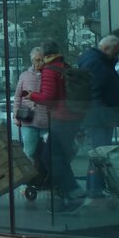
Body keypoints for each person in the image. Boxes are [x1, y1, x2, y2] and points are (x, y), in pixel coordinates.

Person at [27, 40, 84, 210]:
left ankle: (73, 192)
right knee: (58, 157)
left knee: (49, 156)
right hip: (73, 118)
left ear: (45, 55)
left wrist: (33, 96)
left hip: (61, 119)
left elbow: (49, 97)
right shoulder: (64, 65)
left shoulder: (50, 70)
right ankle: (71, 193)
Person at [78, 34, 119, 200]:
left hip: (100, 117)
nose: (116, 57)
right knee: (99, 154)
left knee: (99, 154)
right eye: (115, 53)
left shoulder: (96, 61)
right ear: (106, 49)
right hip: (100, 118)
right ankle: (95, 189)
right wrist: (105, 116)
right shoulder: (97, 64)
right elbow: (94, 93)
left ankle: (96, 187)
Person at [13, 46, 47, 161]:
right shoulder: (24, 76)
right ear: (32, 60)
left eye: (42, 60)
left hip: (46, 121)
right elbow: (17, 97)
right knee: (29, 153)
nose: (40, 63)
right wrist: (16, 117)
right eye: (38, 60)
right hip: (29, 121)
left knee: (47, 154)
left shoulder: (48, 75)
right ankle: (29, 178)